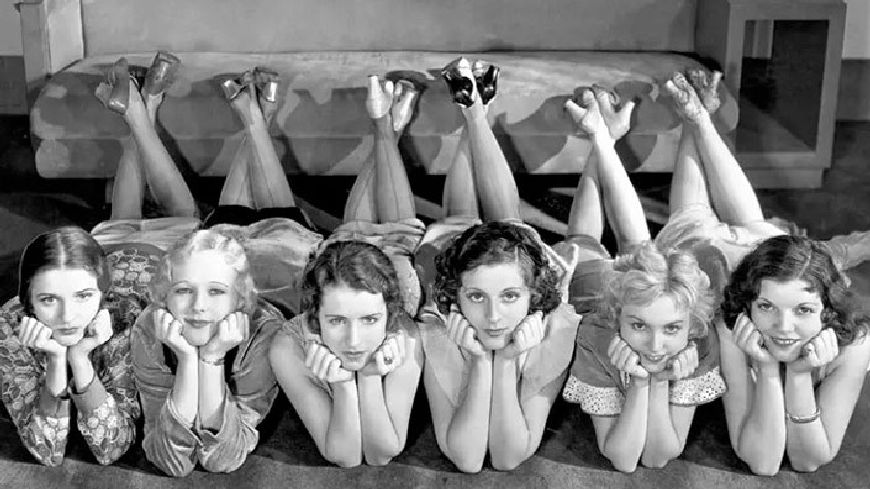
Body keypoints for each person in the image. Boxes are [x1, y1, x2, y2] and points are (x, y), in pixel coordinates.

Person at [93, 54, 318, 476]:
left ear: (239, 295)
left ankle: (240, 115)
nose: (198, 306)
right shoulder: (153, 325)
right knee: (251, 214)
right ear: (165, 293)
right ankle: (244, 115)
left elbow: (219, 458)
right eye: (184, 291)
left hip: (250, 248)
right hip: (261, 247)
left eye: (214, 292)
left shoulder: (258, 330)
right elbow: (174, 461)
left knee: (242, 213)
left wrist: (209, 360)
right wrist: (193, 358)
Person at [418, 57, 580, 472]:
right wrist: (479, 361)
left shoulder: (554, 330)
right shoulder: (439, 327)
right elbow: (466, 459)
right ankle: (474, 109)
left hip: (519, 264)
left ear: (531, 298)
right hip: (454, 258)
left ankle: (473, 110)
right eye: (476, 298)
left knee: (490, 222)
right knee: (476, 219)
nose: (493, 318)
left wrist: (505, 361)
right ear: (456, 297)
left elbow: (508, 457)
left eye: (509, 298)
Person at [558, 83, 723, 472]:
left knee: (627, 244)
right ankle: (602, 136)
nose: (655, 345)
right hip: (595, 289)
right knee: (588, 242)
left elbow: (658, 455)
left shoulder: (699, 339)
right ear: (619, 318)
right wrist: (642, 384)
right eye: (638, 326)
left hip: (643, 289)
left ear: (691, 324)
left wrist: (657, 381)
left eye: (672, 328)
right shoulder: (598, 335)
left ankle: (602, 136)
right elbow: (622, 459)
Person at [717, 235, 870, 475]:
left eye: (804, 310)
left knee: (839, 252)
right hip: (722, 251)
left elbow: (807, 461)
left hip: (792, 252)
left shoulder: (855, 345)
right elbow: (763, 463)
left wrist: (799, 375)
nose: (784, 327)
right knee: (703, 223)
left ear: (828, 312)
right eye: (766, 306)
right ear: (748, 306)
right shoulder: (731, 329)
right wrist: (767, 369)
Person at [269, 241, 423, 467]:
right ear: (316, 317)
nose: (354, 341)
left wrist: (369, 376)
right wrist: (343, 384)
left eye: (370, 320)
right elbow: (346, 457)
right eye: (337, 321)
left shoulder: (405, 335)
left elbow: (382, 454)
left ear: (389, 315)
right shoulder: (287, 347)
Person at [0, 227, 141, 466]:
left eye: (83, 296)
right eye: (49, 299)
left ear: (102, 295)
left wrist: (79, 358)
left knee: (168, 215)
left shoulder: (125, 318)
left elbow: (111, 448)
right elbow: (47, 451)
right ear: (29, 302)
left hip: (146, 256)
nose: (67, 316)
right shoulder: (9, 324)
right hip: (108, 246)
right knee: (122, 216)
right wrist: (56, 360)